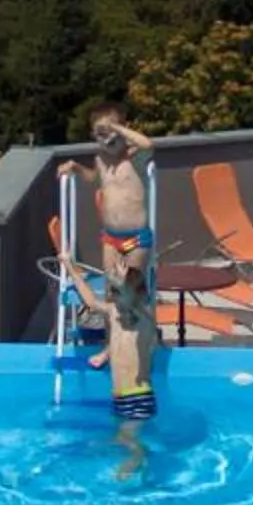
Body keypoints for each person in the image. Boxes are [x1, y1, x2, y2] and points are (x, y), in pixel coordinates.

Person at [59, 103, 158, 475]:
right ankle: (109, 345)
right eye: (98, 132)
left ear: (120, 131)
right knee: (113, 298)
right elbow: (92, 180)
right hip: (110, 236)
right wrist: (75, 168)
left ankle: (135, 459)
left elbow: (150, 143)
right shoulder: (100, 160)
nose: (104, 138)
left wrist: (120, 129)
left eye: (108, 132)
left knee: (130, 291)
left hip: (136, 238)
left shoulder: (136, 155)